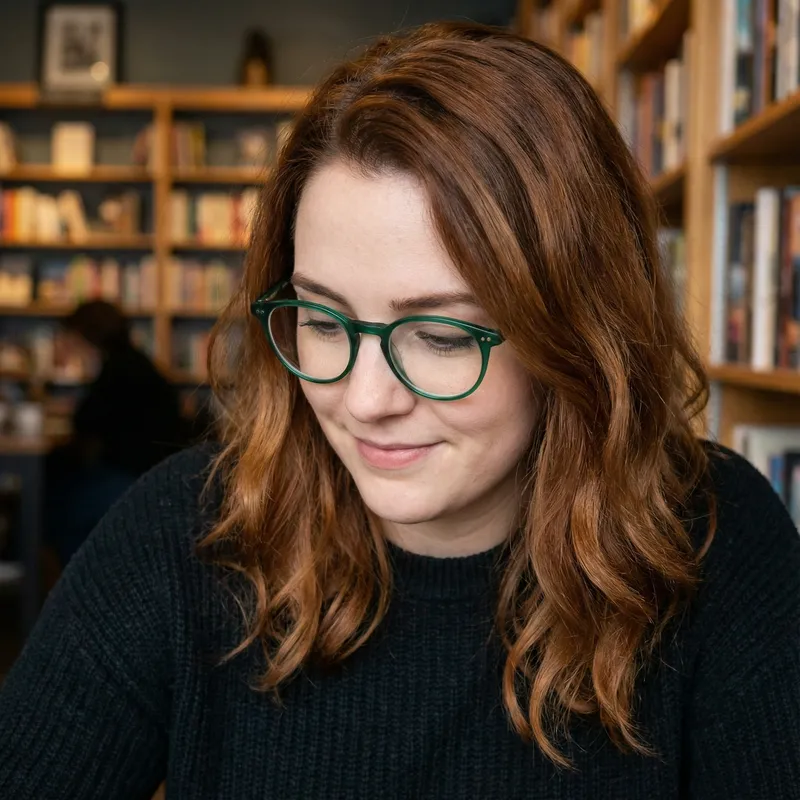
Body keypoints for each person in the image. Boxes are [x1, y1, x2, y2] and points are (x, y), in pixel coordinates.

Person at [0, 22, 798, 799]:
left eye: (441, 335)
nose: (365, 400)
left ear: (576, 333)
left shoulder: (717, 544)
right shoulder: (188, 531)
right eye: (322, 321)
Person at [44, 300, 188, 565]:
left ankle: (58, 581)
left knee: (51, 502)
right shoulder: (134, 362)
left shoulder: (117, 370)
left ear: (85, 336)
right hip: (150, 471)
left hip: (131, 477)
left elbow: (84, 421)